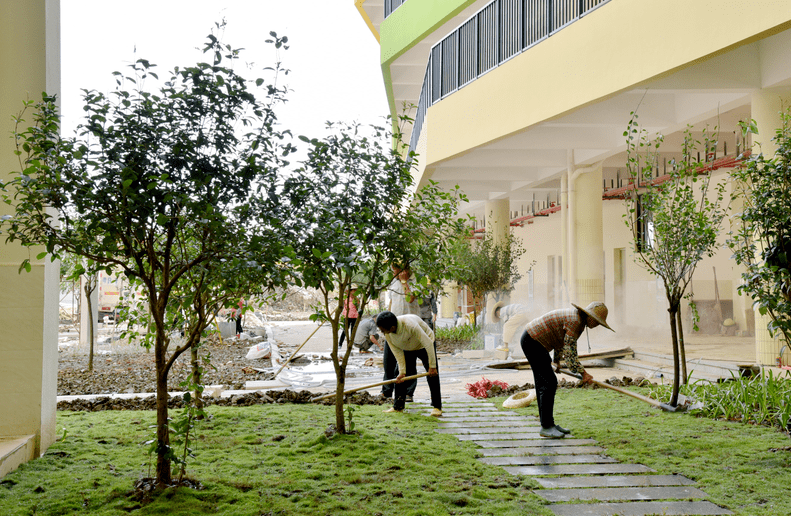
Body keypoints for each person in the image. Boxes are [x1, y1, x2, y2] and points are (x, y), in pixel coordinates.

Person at [520, 301, 614, 439]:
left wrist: (556, 361)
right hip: (533, 341)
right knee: (549, 382)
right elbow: (570, 355)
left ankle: (548, 424)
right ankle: (546, 426)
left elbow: (561, 341)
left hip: (534, 341)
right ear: (590, 317)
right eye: (597, 321)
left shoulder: (578, 320)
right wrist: (584, 373)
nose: (597, 325)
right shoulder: (575, 321)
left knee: (545, 383)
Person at [376, 311, 442, 417]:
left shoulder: (410, 325)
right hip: (408, 346)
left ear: (392, 327)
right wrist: (402, 372)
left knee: (432, 374)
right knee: (400, 375)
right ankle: (398, 406)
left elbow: (428, 343)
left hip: (424, 345)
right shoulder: (388, 335)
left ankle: (437, 406)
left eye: (383, 329)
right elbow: (397, 352)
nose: (382, 332)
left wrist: (432, 366)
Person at [381, 264, 419, 401]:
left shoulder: (416, 281)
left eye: (396, 269)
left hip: (409, 328)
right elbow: (391, 302)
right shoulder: (393, 282)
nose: (394, 272)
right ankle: (386, 391)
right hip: (392, 327)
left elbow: (410, 298)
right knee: (388, 362)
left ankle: (408, 392)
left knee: (409, 362)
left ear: (405, 269)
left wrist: (404, 282)